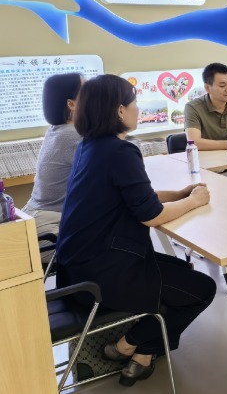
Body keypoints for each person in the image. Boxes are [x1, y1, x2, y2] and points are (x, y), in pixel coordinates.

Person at [56, 75, 216, 387]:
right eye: (134, 102)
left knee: (180, 270)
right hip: (105, 276)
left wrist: (179, 195)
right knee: (203, 290)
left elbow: (135, 197)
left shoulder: (89, 147)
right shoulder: (121, 151)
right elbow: (152, 215)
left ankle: (142, 355)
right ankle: (128, 346)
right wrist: (195, 201)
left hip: (75, 271)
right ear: (119, 110)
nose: (138, 108)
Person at [22, 73, 83, 261]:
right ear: (71, 104)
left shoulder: (58, 130)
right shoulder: (73, 136)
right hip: (49, 228)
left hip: (36, 218)